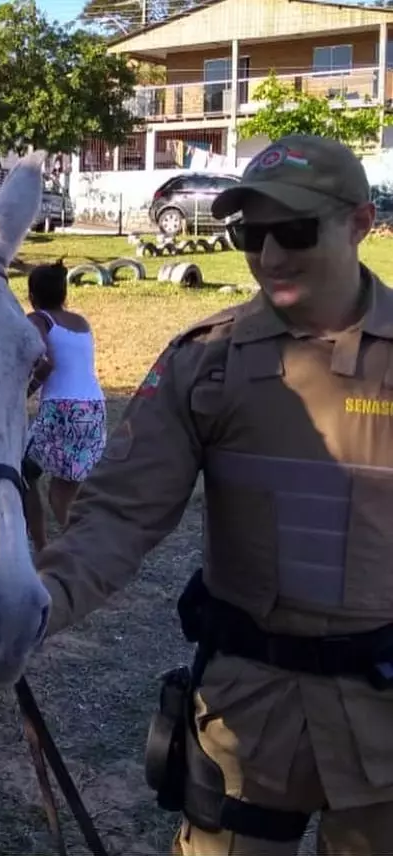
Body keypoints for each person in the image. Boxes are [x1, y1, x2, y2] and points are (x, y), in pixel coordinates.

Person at [37, 134, 393, 855]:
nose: (267, 258)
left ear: (359, 223)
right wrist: (36, 605)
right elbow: (118, 514)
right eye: (248, 235)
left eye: (293, 232)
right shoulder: (206, 360)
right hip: (245, 724)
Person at [21, 260, 106, 551]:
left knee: (25, 470)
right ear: (64, 293)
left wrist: (25, 392)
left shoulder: (37, 320)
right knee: (63, 491)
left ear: (31, 295)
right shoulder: (81, 322)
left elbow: (46, 363)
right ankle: (81, 545)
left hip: (63, 409)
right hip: (93, 408)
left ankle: (45, 546)